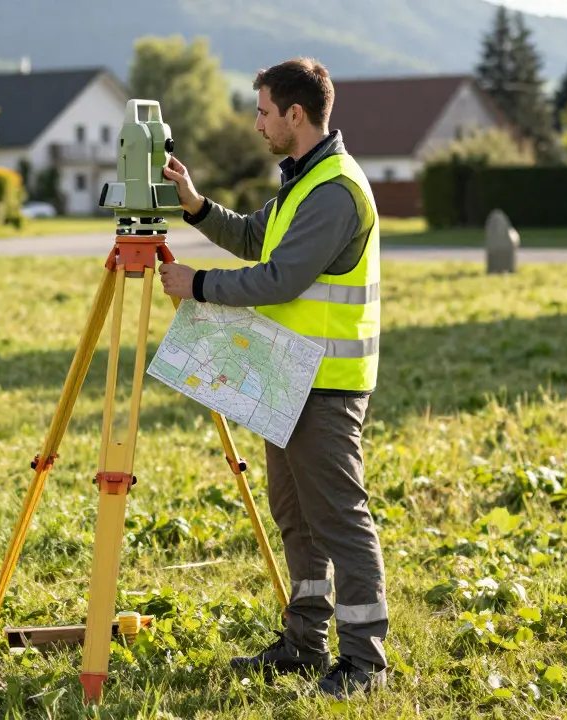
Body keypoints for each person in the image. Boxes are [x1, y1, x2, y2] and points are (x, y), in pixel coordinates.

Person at [157, 57, 388, 699]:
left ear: (295, 113)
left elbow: (280, 277)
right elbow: (259, 239)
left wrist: (197, 285)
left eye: (262, 110)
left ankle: (364, 663)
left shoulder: (335, 189)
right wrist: (197, 206)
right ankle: (305, 645)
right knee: (295, 517)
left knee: (339, 519)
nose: (256, 122)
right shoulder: (302, 180)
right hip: (284, 372)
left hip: (325, 381)